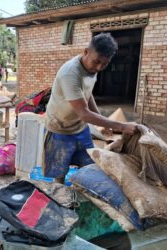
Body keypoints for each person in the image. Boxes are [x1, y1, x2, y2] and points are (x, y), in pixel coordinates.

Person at [43, 33, 138, 184]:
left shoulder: (92, 69)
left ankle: (82, 190)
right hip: (59, 128)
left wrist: (102, 121)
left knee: (89, 163)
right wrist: (121, 125)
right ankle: (59, 194)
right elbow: (84, 114)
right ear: (86, 52)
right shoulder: (70, 73)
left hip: (80, 127)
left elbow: (87, 94)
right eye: (97, 62)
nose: (99, 67)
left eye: (105, 64)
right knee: (60, 170)